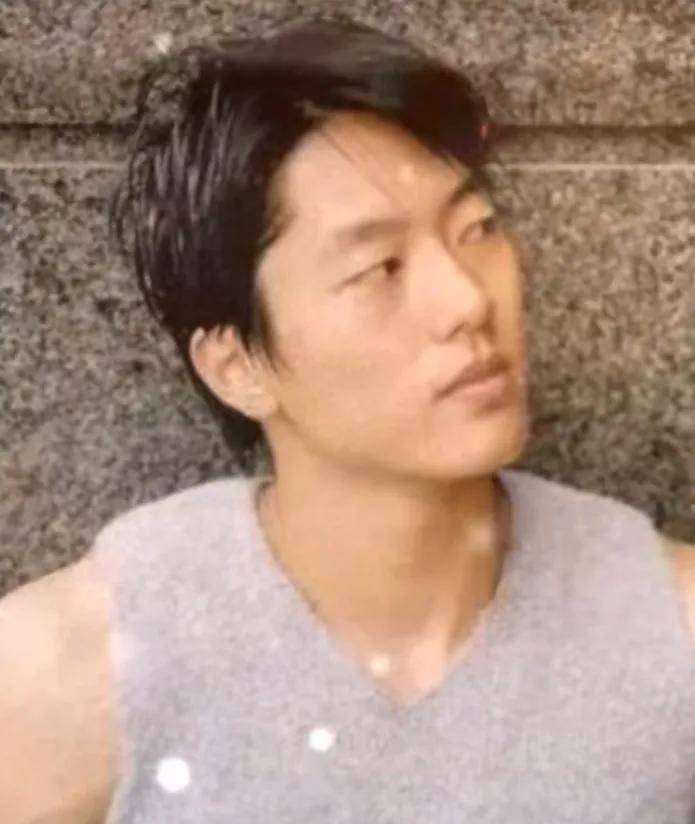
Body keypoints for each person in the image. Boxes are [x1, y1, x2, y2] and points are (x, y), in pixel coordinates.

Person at [2, 14, 694, 824]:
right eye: (378, 268)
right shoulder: (69, 676)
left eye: (476, 230)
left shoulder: (671, 631)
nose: (466, 300)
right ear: (237, 366)